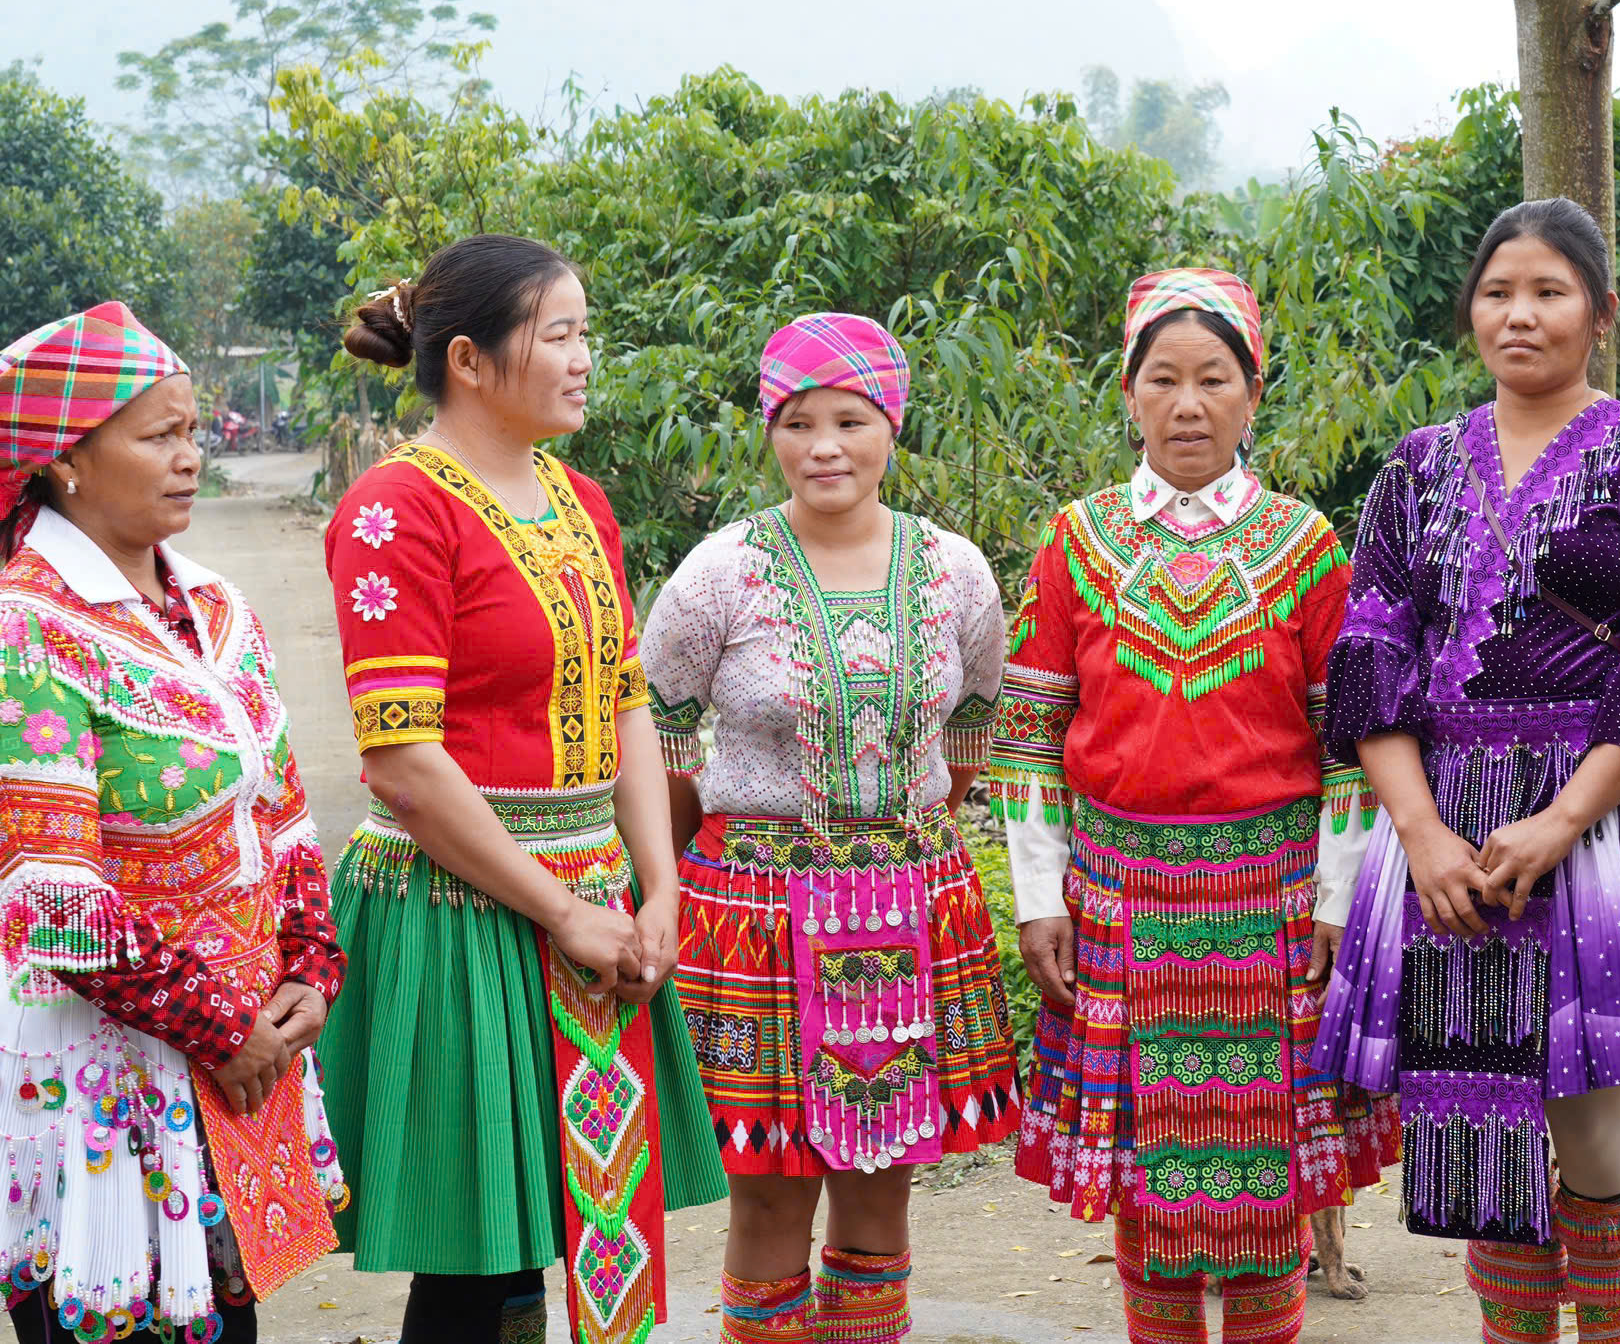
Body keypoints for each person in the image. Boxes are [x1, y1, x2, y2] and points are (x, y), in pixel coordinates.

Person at [1314, 198, 1620, 1344]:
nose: (1518, 314)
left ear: (1600, 314)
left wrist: (1559, 821)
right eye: (1497, 292)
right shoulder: (1412, 469)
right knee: (1475, 1122)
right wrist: (1418, 832)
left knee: (1586, 1120)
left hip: (1593, 820)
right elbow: (1368, 657)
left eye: (1549, 291)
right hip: (1441, 828)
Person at [316, 236, 725, 1344]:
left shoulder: (579, 499)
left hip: (597, 903)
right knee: (474, 1256)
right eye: (561, 334)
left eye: (585, 331)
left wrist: (659, 891)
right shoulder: (395, 511)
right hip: (460, 909)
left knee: (578, 1221)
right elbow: (403, 761)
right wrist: (563, 910)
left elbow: (626, 700)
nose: (586, 357)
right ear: (470, 359)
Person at [994, 268, 1395, 1344]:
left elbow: (1350, 748)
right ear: (1126, 393)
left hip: (1269, 902)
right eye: (1161, 377)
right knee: (1144, 1193)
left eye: (1212, 377)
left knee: (1265, 1205)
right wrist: (1040, 897)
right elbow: (1028, 735)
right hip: (1117, 896)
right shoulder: (1074, 543)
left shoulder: (1309, 548)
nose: (1186, 403)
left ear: (1252, 393)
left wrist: (1334, 897)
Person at [641, 313, 1019, 1344]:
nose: (824, 445)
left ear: (891, 425)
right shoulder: (719, 573)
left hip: (909, 906)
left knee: (879, 1188)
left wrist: (919, 832)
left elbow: (977, 717)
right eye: (798, 420)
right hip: (751, 919)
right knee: (765, 1192)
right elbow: (657, 726)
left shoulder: (956, 572)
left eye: (850, 418)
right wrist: (674, 881)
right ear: (770, 430)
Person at [0, 302, 344, 1343]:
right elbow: (53, 899)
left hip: (237, 1058)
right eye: (159, 435)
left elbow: (285, 817)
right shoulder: (27, 624)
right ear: (65, 459)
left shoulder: (217, 603)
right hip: (104, 1072)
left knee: (225, 1326)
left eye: (193, 430)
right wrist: (218, 1024)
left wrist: (308, 972)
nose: (191, 456)